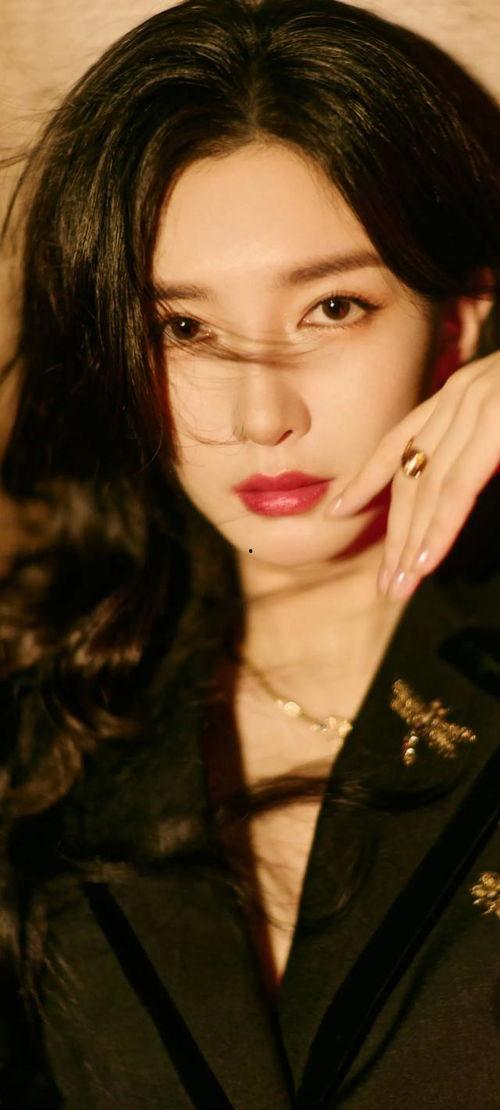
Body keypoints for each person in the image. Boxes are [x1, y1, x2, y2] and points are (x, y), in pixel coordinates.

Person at [0, 0, 499, 1105]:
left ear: (457, 323)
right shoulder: (45, 728)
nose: (259, 417)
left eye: (332, 307)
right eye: (182, 329)